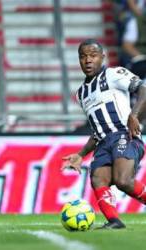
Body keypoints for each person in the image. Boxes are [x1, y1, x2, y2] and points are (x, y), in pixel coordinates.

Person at [62, 39, 146, 229]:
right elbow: (97, 129)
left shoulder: (114, 74)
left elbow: (144, 89)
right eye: (83, 57)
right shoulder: (81, 94)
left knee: (122, 180)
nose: (88, 60)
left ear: (102, 57)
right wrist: (81, 154)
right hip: (103, 142)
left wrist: (134, 115)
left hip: (125, 134)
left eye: (93, 55)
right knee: (98, 178)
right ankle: (114, 221)